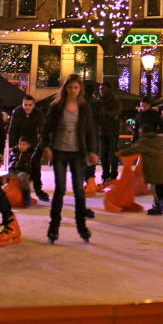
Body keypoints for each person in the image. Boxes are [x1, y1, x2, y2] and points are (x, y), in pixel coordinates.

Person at [39, 74, 100, 244]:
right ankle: (53, 228)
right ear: (65, 88)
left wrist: (93, 151)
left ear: (80, 89)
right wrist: (46, 147)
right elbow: (45, 129)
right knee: (60, 190)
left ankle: (82, 227)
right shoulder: (57, 106)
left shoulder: (84, 107)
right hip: (59, 151)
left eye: (76, 87)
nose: (73, 90)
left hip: (77, 153)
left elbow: (90, 131)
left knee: (79, 191)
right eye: (70, 87)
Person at [119, 124, 163, 215]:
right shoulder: (159, 139)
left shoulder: (145, 142)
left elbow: (133, 150)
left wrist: (121, 153)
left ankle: (158, 206)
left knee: (155, 187)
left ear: (144, 133)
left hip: (154, 168)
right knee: (160, 187)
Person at [7, 94, 49, 201]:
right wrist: (12, 146)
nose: (27, 107)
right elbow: (12, 129)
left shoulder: (38, 114)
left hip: (32, 144)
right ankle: (14, 187)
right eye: (25, 105)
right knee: (16, 163)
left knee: (35, 167)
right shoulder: (17, 112)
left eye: (30, 105)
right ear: (22, 104)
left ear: (34, 105)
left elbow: (43, 131)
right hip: (19, 143)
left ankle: (38, 190)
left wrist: (40, 147)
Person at [96, 82, 123, 186]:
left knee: (112, 155)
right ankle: (105, 176)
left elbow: (118, 113)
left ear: (108, 90)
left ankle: (113, 176)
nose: (101, 91)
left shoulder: (115, 101)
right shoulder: (98, 102)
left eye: (103, 89)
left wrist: (106, 113)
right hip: (102, 132)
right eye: (100, 89)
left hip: (112, 132)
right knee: (103, 155)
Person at [2, 137, 35, 208]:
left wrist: (32, 175)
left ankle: (26, 196)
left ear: (29, 146)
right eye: (20, 144)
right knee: (3, 177)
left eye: (24, 144)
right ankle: (2, 196)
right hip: (13, 171)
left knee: (21, 176)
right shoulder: (14, 152)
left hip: (23, 172)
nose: (21, 146)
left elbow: (33, 167)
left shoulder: (30, 154)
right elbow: (11, 161)